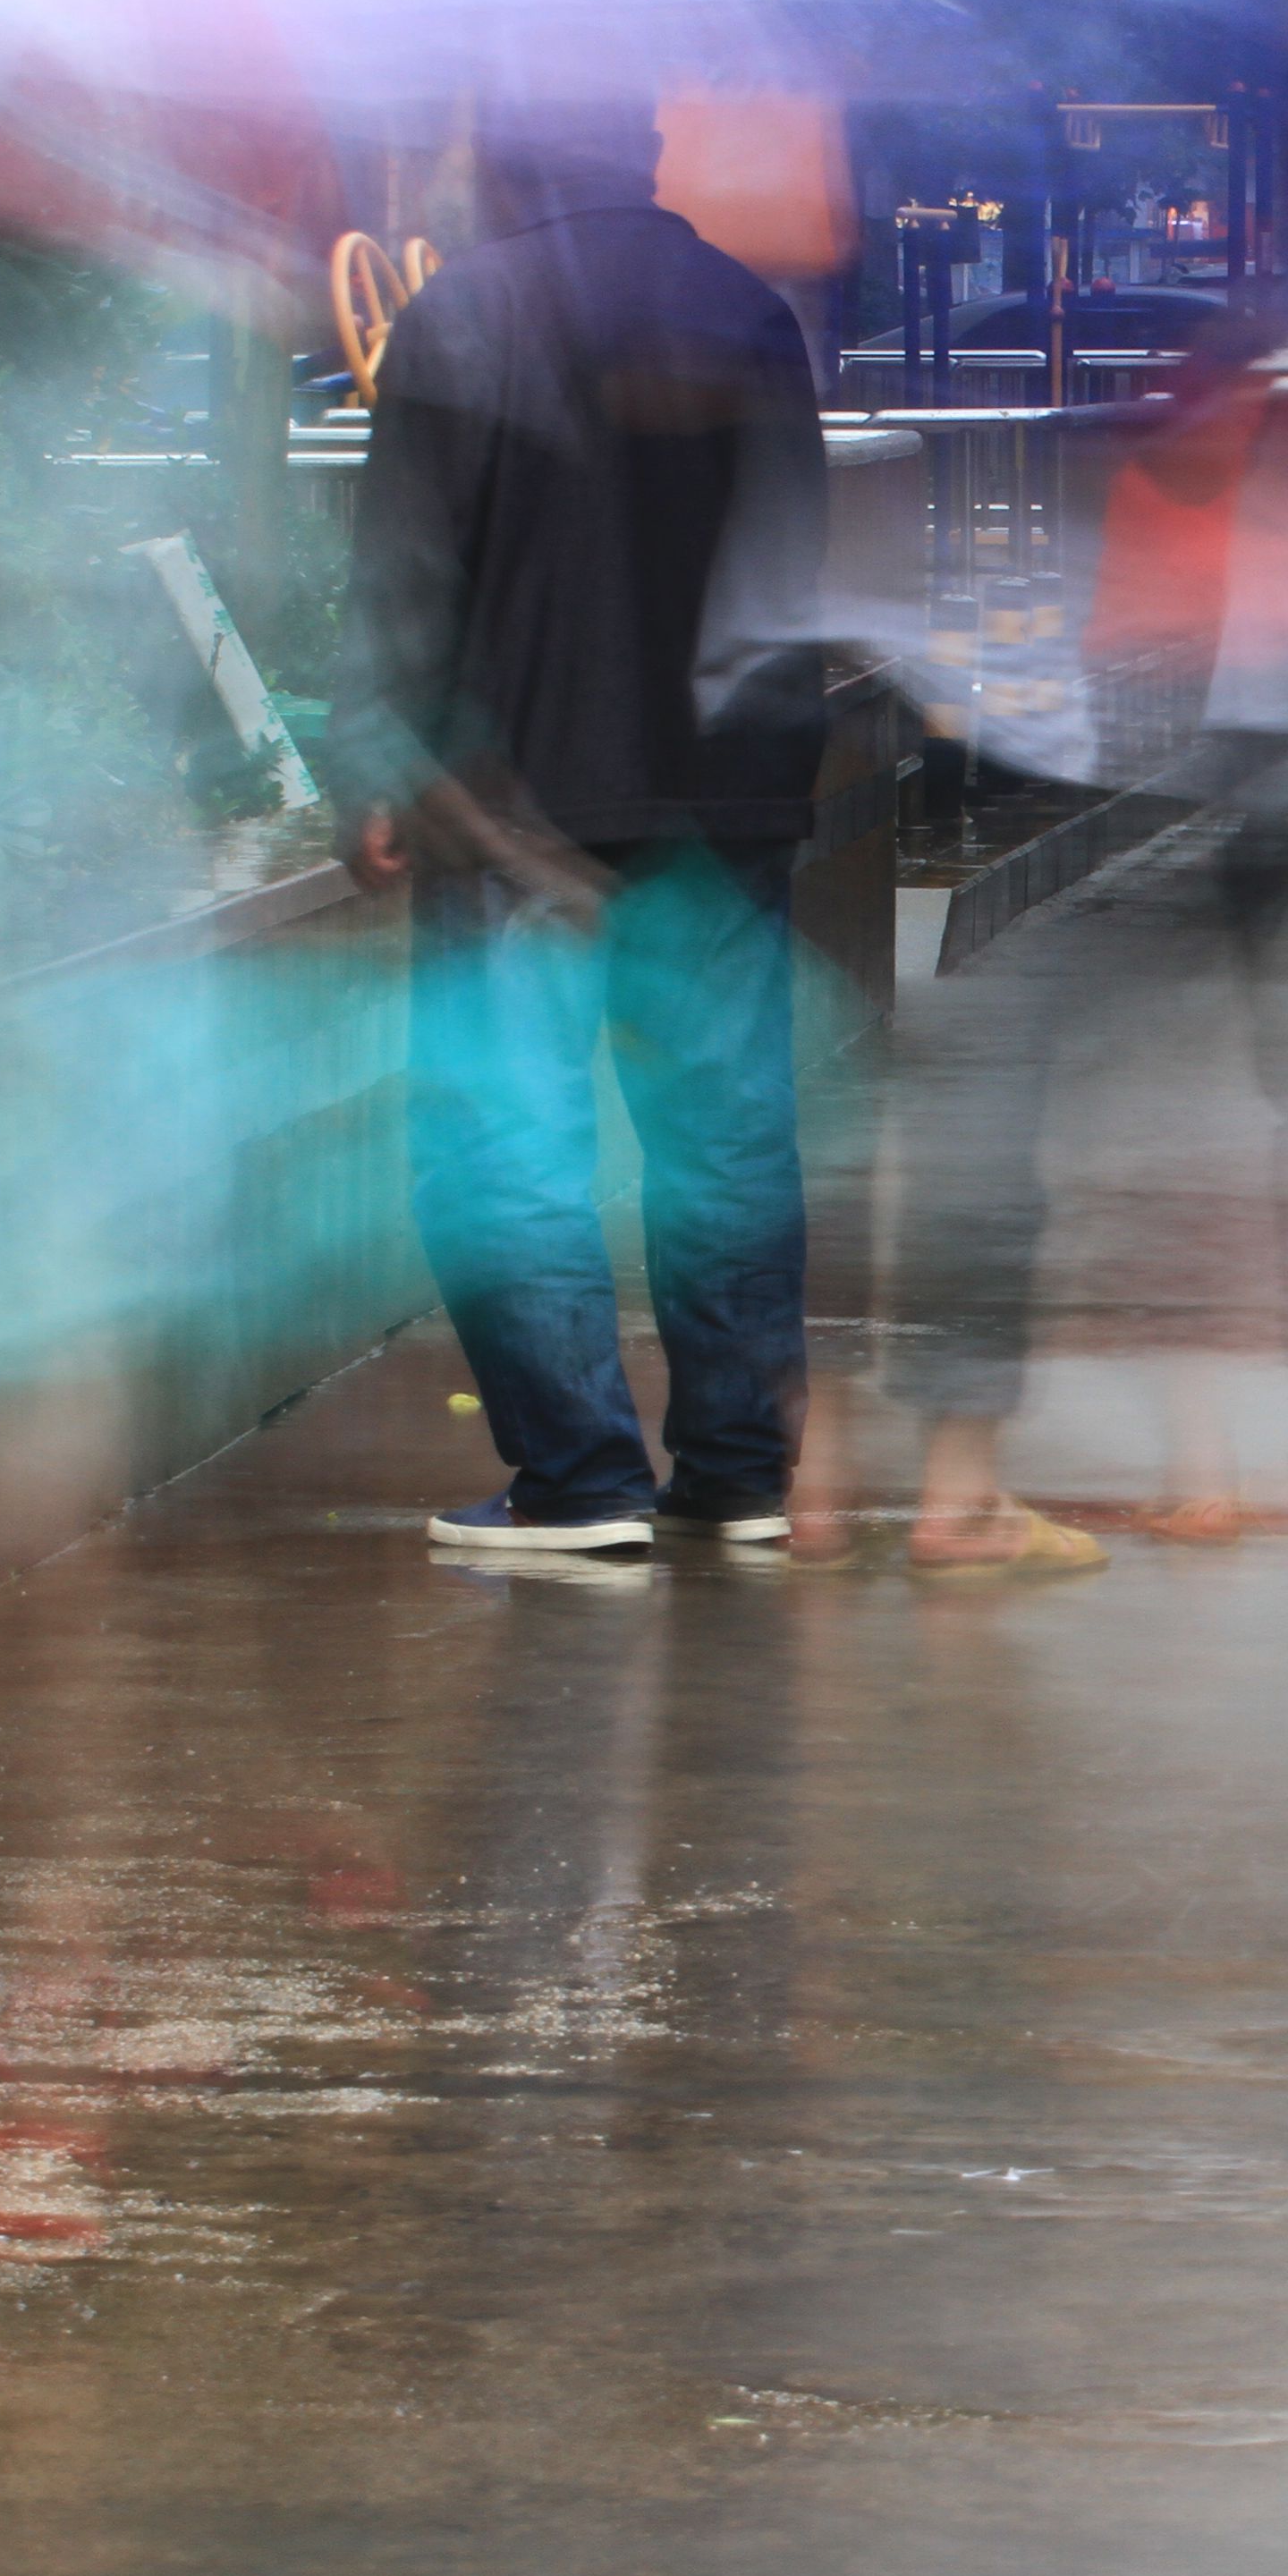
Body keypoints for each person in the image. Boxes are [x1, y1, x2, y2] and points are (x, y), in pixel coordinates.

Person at [331, 104, 827, 1557]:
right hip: (721, 793)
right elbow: (790, 554)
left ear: (504, 161)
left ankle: (580, 1479)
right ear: (645, 156)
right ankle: (735, 1473)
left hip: (511, 804)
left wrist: (378, 764)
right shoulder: (745, 309)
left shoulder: (462, 312)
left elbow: (405, 575)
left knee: (509, 1142)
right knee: (723, 1138)